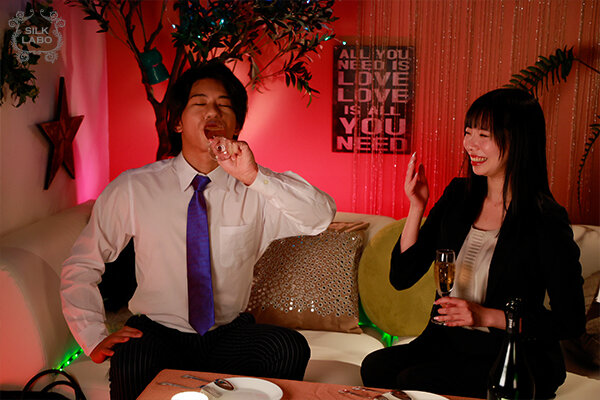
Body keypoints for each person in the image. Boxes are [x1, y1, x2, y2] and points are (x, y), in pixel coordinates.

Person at [61, 60, 336, 400]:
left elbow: (319, 217)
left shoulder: (256, 190)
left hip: (227, 334)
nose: (213, 112)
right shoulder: (133, 188)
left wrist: (254, 176)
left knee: (288, 347)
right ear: (177, 121)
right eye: (200, 102)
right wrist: (92, 336)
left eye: (224, 105)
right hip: (158, 333)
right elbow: (82, 264)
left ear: (237, 125)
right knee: (131, 357)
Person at [360, 88, 585, 399]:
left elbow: (570, 321)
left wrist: (484, 316)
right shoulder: (459, 196)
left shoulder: (546, 219)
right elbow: (402, 276)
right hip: (449, 342)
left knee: (417, 380)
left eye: (483, 135)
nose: (470, 144)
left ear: (518, 140)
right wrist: (416, 207)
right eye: (468, 132)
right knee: (375, 368)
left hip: (513, 354)